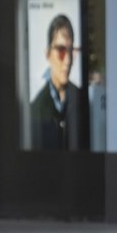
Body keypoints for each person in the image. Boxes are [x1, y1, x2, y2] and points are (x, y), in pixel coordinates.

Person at [30, 14, 83, 149]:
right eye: (61, 51)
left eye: (71, 51)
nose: (68, 60)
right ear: (48, 54)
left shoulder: (81, 99)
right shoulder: (36, 108)